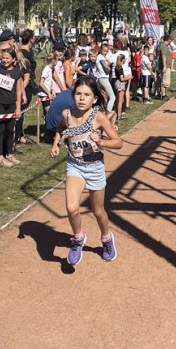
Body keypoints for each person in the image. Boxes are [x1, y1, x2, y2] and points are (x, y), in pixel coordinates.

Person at [50, 77, 124, 266]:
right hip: (74, 166)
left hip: (94, 168)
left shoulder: (99, 116)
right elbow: (60, 128)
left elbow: (118, 142)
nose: (82, 98)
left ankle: (106, 239)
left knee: (98, 211)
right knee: (72, 207)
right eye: (78, 94)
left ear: (95, 99)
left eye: (87, 95)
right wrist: (56, 143)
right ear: (73, 95)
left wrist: (101, 142)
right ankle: (78, 238)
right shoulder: (67, 114)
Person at [0, 47, 25, 168]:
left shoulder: (17, 72)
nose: (5, 60)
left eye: (7, 58)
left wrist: (18, 107)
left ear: (13, 59)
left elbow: (18, 91)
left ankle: (10, 153)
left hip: (11, 103)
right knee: (0, 128)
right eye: (3, 58)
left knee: (10, 130)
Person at [93, 41, 117, 113]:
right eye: (104, 51)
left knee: (103, 97)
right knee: (112, 97)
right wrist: (109, 65)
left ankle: (102, 111)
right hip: (103, 78)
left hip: (101, 78)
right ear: (101, 50)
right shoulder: (101, 57)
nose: (105, 53)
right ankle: (108, 113)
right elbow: (106, 69)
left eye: (107, 51)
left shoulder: (101, 57)